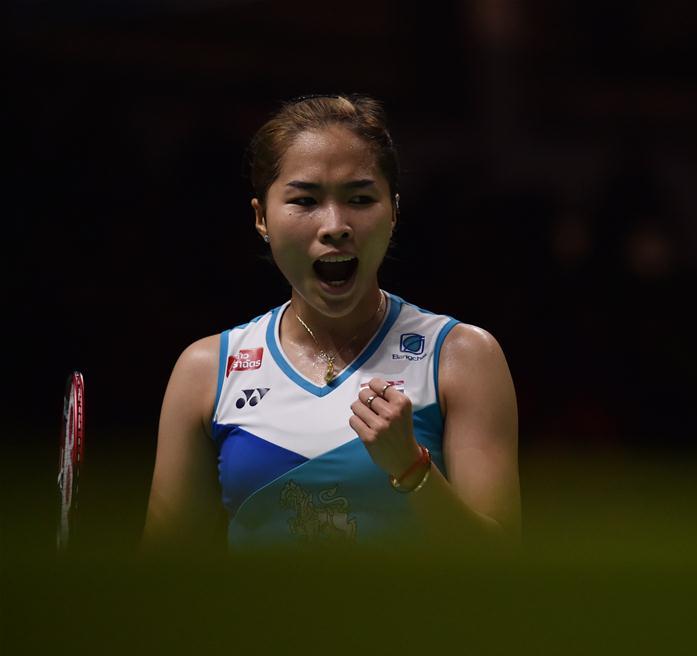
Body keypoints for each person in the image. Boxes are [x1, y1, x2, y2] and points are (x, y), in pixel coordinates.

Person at [141, 94, 521, 553]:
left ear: (394, 211)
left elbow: (500, 569)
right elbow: (166, 573)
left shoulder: (461, 357)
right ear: (262, 217)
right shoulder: (207, 370)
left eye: (360, 198)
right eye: (305, 200)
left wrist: (410, 467)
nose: (336, 225)